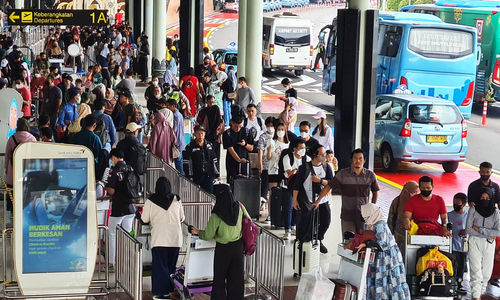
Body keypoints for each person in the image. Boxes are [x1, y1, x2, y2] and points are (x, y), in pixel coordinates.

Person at [189, 184, 248, 300]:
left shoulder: (217, 214)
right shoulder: (239, 206)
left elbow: (208, 235)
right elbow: (248, 221)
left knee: (220, 279)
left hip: (223, 249)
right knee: (236, 279)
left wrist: (197, 232)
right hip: (238, 247)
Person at [139, 177, 184, 299]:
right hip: (175, 238)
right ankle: (173, 289)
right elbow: (182, 218)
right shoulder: (177, 199)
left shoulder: (150, 201)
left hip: (160, 238)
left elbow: (144, 219)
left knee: (160, 267)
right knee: (171, 267)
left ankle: (162, 294)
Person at [316, 149, 380, 234]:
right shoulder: (343, 174)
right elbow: (328, 186)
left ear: (364, 160)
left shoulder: (370, 175)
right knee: (348, 243)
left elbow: (375, 192)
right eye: (355, 158)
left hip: (364, 217)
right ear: (351, 160)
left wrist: (372, 208)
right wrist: (318, 201)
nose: (357, 161)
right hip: (347, 216)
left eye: (360, 158)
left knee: (363, 243)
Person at [360, 203, 411, 300]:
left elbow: (382, 243)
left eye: (366, 215)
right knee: (378, 279)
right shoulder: (370, 223)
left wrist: (366, 244)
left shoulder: (380, 224)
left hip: (387, 258)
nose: (364, 217)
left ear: (371, 213)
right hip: (378, 256)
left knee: (389, 280)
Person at [293, 145, 333, 253]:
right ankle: (304, 243)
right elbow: (297, 185)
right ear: (315, 155)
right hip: (307, 199)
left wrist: (320, 180)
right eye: (322, 154)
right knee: (307, 222)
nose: (324, 156)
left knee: (326, 220)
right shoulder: (304, 168)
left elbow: (331, 183)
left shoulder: (327, 167)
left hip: (322, 199)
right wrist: (295, 199)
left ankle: (319, 238)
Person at [105, 149, 137, 271]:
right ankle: (127, 260)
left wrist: (108, 188)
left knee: (112, 234)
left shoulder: (116, 170)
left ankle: (112, 263)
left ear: (114, 157)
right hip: (131, 207)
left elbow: (112, 190)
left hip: (119, 208)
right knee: (127, 235)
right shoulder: (130, 168)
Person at [466, 188, 500, 300]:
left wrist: (480, 230)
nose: (484, 200)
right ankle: (476, 296)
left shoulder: (496, 213)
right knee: (475, 270)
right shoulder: (473, 210)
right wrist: (488, 232)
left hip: (489, 243)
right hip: (474, 241)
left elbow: (498, 231)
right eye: (482, 198)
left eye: (487, 198)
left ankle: (480, 292)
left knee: (486, 273)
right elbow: (468, 229)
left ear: (491, 199)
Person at [5, 118, 36, 211]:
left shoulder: (12, 138)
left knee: (12, 195)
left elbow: (7, 156)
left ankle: (12, 215)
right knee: (26, 195)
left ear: (18, 126)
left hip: (13, 173)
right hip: (28, 172)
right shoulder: (32, 138)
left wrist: (6, 169)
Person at [282, 138, 310, 239]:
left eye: (304, 148)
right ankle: (287, 229)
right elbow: (289, 172)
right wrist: (298, 171)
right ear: (295, 149)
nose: (303, 150)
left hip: (301, 187)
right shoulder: (287, 157)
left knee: (297, 207)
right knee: (288, 207)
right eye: (301, 148)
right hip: (289, 185)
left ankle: (294, 225)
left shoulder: (307, 159)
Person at [184, 125, 220, 193]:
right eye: (198, 133)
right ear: (195, 134)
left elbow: (214, 159)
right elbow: (186, 162)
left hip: (209, 175)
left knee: (209, 195)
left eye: (202, 133)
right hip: (195, 176)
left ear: (205, 134)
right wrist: (189, 176)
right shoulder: (190, 147)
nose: (200, 135)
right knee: (195, 195)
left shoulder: (209, 145)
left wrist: (217, 174)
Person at [387, 181, 419, 254]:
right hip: (399, 237)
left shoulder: (420, 202)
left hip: (414, 237)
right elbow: (390, 219)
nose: (415, 194)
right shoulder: (397, 201)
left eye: (416, 192)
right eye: (412, 192)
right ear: (405, 191)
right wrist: (389, 236)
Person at [223, 116, 254, 185]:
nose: (238, 129)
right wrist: (239, 160)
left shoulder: (246, 131)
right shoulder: (227, 133)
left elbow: (251, 147)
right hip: (232, 161)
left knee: (246, 182)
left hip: (245, 160)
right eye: (236, 126)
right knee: (233, 182)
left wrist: (245, 144)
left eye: (240, 126)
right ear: (231, 123)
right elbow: (230, 149)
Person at [448, 192, 469, 294]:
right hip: (451, 246)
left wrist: (467, 231)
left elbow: (475, 228)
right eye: (454, 203)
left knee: (461, 267)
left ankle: (459, 285)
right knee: (452, 266)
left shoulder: (469, 216)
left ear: (464, 204)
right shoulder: (449, 215)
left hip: (462, 246)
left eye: (458, 204)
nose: (455, 205)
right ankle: (451, 284)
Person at [196, 95, 224, 170]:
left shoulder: (207, 111)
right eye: (210, 102)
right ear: (206, 102)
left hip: (210, 137)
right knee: (213, 156)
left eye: (212, 102)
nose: (211, 104)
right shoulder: (205, 111)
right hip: (211, 137)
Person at [257, 117, 276, 204]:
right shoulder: (263, 136)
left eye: (272, 125)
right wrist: (260, 163)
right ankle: (263, 204)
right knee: (264, 185)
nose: (270, 127)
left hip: (276, 166)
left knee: (274, 186)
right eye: (268, 126)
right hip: (265, 165)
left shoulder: (277, 136)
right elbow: (260, 150)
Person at [166, 99, 186, 175]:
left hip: (177, 143)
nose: (167, 108)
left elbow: (174, 130)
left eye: (168, 106)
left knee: (179, 165)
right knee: (179, 163)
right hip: (180, 141)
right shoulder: (179, 114)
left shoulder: (175, 115)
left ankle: (183, 181)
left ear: (173, 106)